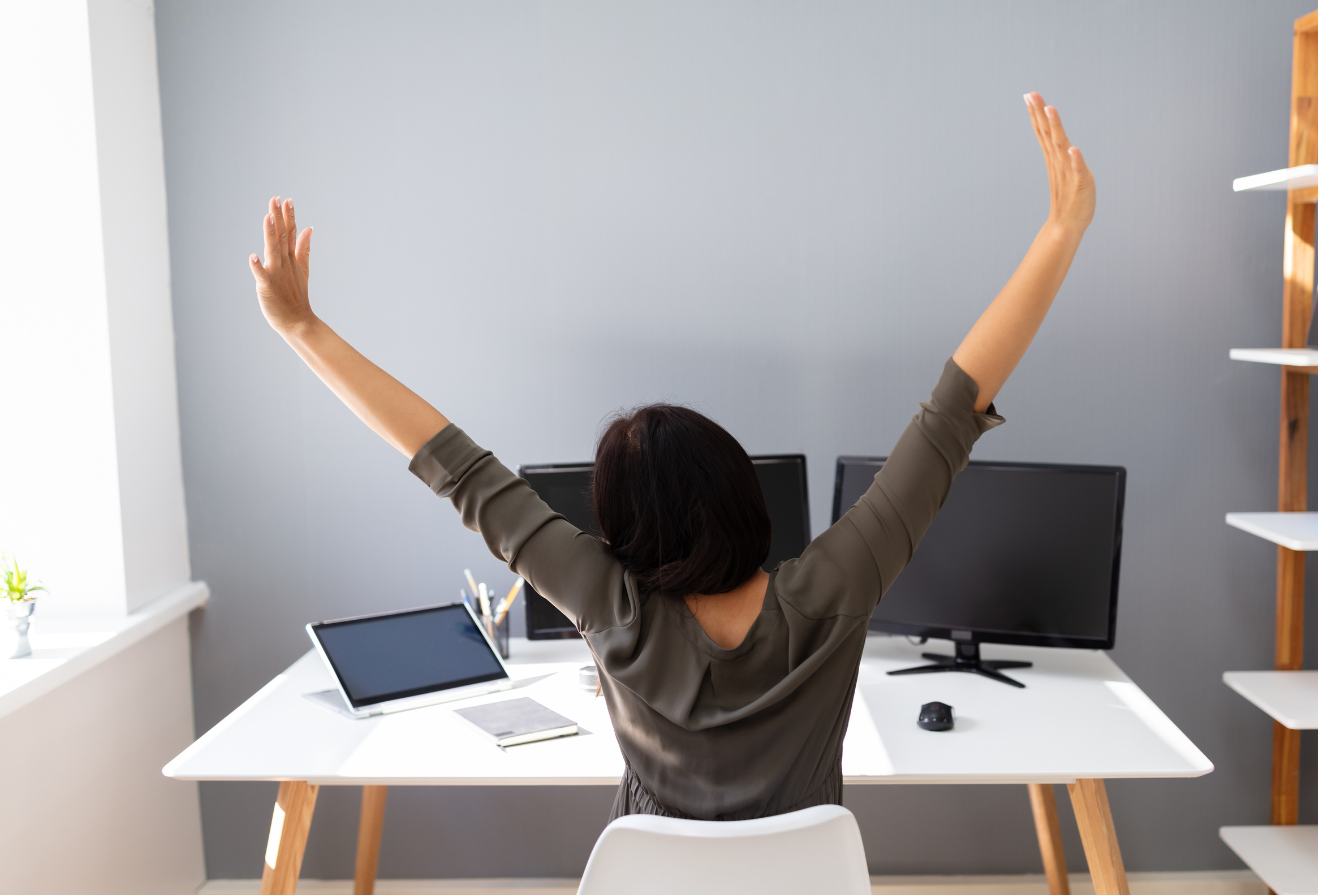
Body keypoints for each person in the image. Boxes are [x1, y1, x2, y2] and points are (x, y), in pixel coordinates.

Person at [249, 93, 1094, 821]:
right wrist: (1060, 233)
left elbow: (454, 467)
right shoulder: (833, 589)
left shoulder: (604, 603)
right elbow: (952, 414)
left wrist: (303, 330)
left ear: (618, 527)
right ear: (740, 495)